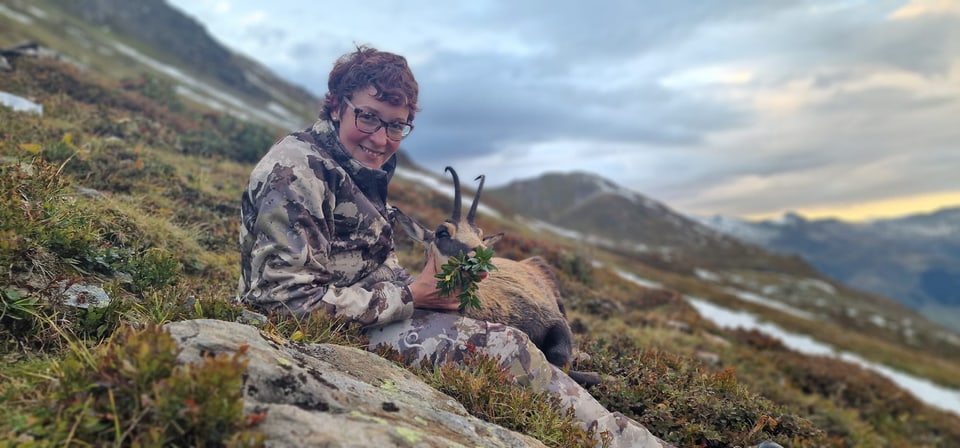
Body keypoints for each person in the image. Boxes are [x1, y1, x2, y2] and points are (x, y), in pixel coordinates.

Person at [238, 45, 667, 448]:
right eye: (367, 118)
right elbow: (283, 301)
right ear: (335, 105)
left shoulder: (351, 167)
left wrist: (434, 293)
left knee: (504, 330)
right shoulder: (295, 172)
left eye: (396, 125)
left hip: (358, 313)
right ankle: (621, 439)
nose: (381, 139)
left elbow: (363, 272)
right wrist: (410, 296)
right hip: (310, 331)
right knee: (503, 347)